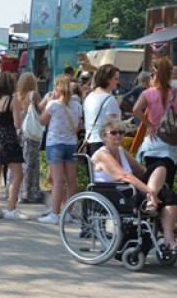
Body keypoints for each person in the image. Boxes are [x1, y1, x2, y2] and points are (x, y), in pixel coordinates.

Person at [91, 117, 177, 251]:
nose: (118, 135)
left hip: (130, 191)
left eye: (121, 132)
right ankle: (149, 200)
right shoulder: (102, 154)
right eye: (113, 133)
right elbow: (125, 176)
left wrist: (155, 183)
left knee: (167, 189)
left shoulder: (120, 151)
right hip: (115, 194)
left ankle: (169, 241)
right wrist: (150, 191)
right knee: (158, 186)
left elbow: (141, 171)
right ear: (103, 137)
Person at [133, 57, 177, 192]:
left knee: (151, 178)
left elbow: (135, 110)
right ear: (171, 73)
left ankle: (150, 204)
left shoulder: (147, 93)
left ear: (154, 73)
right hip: (173, 144)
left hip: (153, 142)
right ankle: (166, 207)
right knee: (168, 182)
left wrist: (149, 125)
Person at [0, 71, 27, 220]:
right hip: (9, 138)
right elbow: (17, 124)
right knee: (18, 174)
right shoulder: (12, 101)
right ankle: (11, 208)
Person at [38, 74, 82, 224]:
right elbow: (78, 126)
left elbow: (42, 121)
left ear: (57, 87)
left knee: (57, 180)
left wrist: (48, 102)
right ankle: (67, 211)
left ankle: (55, 214)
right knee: (71, 181)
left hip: (55, 143)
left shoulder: (54, 105)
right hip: (71, 144)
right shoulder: (77, 105)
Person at [15, 72, 45, 204]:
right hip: (30, 133)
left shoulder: (16, 96)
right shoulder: (33, 95)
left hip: (18, 132)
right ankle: (30, 193)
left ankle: (16, 191)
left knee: (17, 163)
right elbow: (42, 110)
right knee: (31, 163)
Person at [82, 64, 121, 155]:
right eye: (116, 79)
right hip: (104, 144)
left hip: (89, 143)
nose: (118, 82)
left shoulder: (89, 97)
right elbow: (113, 125)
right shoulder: (109, 99)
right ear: (107, 79)